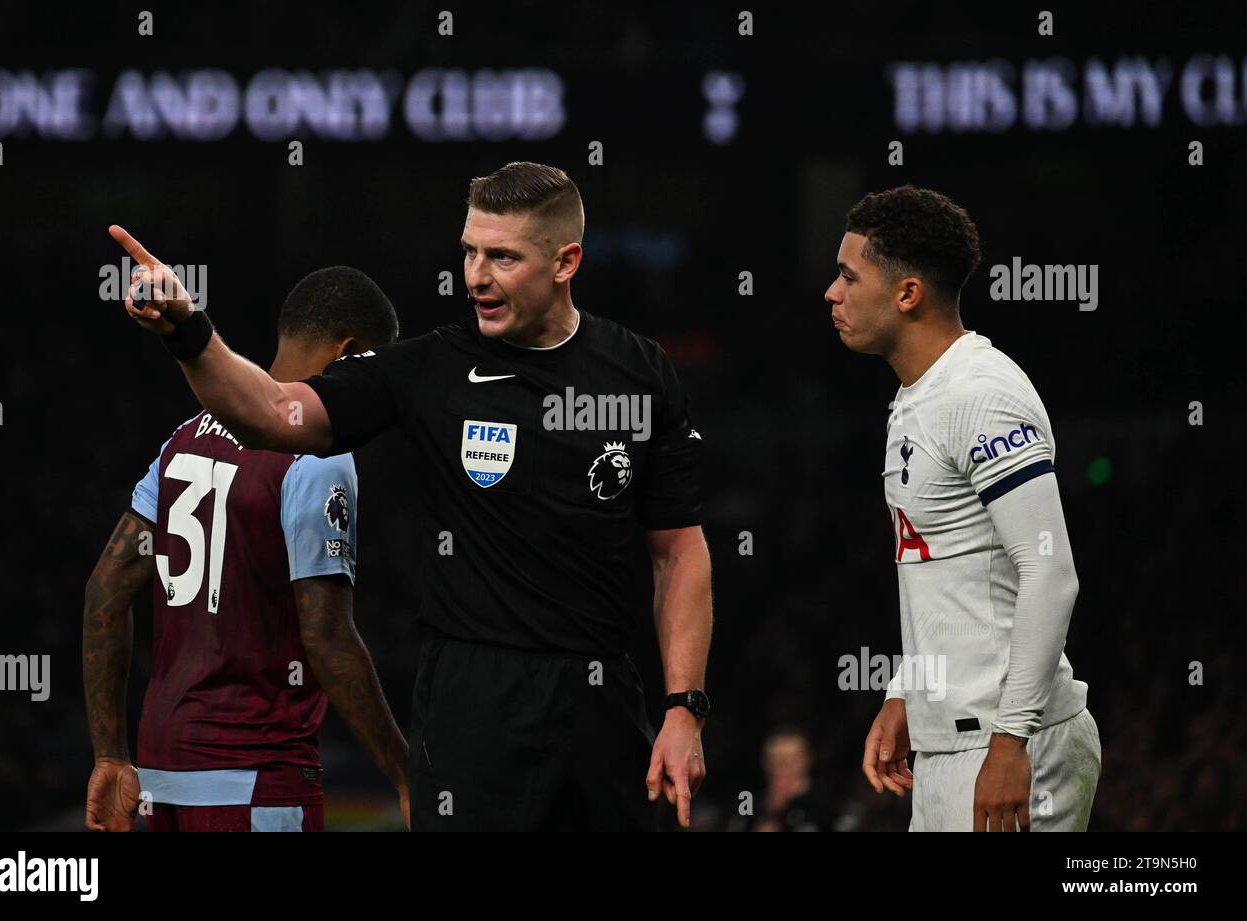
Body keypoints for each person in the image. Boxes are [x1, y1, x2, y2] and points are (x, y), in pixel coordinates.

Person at [106, 161, 713, 831]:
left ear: (566, 262)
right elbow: (272, 413)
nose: (476, 276)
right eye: (470, 251)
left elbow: (679, 552)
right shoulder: (431, 368)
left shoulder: (640, 372)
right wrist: (189, 331)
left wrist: (684, 708)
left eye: (503, 257)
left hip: (603, 702)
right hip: (472, 708)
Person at [83, 266, 410, 832]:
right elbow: (327, 636)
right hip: (257, 779)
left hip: (162, 778)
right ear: (349, 354)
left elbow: (104, 593)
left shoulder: (185, 438)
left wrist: (110, 755)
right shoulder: (319, 455)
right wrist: (406, 774)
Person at [826, 185, 1101, 832]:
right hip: (950, 746)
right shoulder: (916, 397)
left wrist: (1011, 742)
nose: (832, 293)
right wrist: (907, 691)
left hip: (1012, 745)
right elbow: (945, 574)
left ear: (907, 294)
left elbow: (1051, 573)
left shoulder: (983, 393)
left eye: (848, 276)